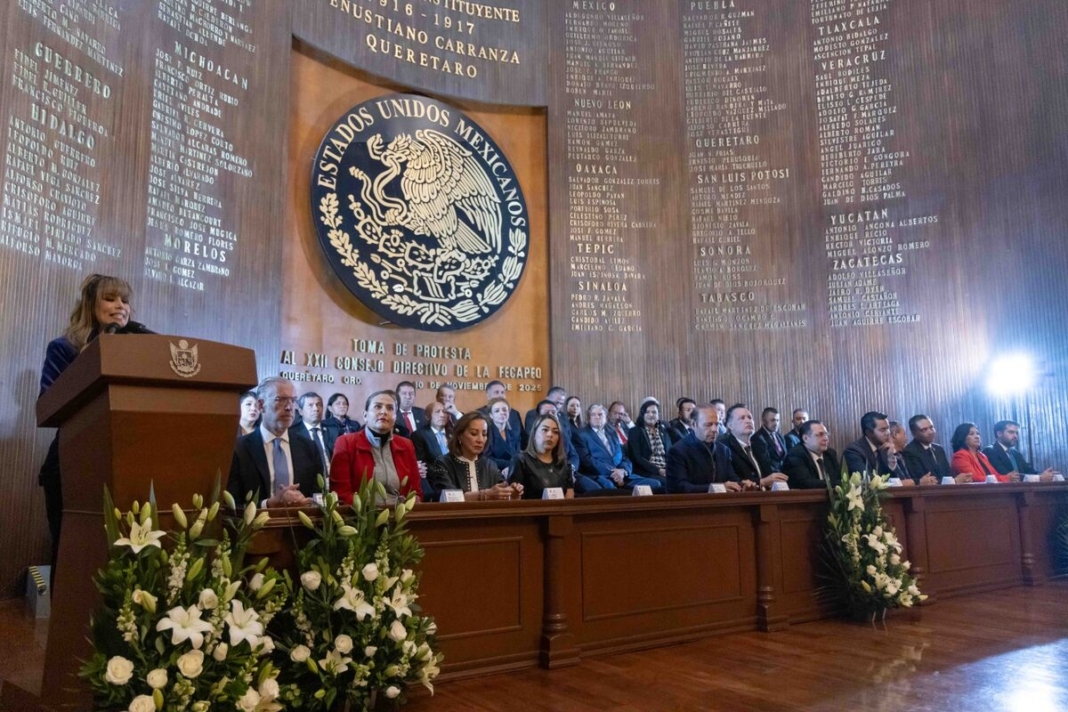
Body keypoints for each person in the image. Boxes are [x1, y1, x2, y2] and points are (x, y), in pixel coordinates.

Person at [39, 274, 134, 573]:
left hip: (120, 460)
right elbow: (48, 404)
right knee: (70, 550)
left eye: (125, 300)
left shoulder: (135, 351)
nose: (120, 305)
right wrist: (94, 352)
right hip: (71, 463)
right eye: (111, 298)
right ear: (90, 305)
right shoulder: (63, 348)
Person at [228, 377, 319, 508]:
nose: (289, 407)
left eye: (293, 400)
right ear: (260, 405)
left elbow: (318, 495)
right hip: (258, 526)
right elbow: (231, 504)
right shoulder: (238, 449)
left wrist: (307, 503)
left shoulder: (308, 447)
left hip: (300, 525)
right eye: (280, 400)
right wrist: (268, 504)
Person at [331, 390, 423, 505]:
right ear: (365, 415)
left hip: (400, 517)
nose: (384, 412)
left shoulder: (406, 445)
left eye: (390, 408)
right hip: (361, 517)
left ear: (395, 417)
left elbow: (415, 492)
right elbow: (341, 494)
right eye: (377, 407)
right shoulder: (346, 443)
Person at [428, 412, 522, 501]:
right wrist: (486, 494)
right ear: (460, 436)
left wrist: (511, 493)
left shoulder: (490, 465)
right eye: (474, 433)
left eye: (484, 434)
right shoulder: (443, 463)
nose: (480, 440)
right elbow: (449, 498)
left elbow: (500, 492)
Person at [574, 404, 664, 493]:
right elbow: (587, 460)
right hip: (601, 475)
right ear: (589, 418)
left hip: (622, 474)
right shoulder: (581, 435)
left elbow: (624, 457)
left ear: (606, 417)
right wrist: (613, 473)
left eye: (600, 414)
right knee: (610, 488)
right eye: (593, 415)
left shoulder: (612, 433)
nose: (597, 417)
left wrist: (623, 471)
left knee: (654, 484)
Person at [665, 406, 739, 493]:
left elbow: (732, 479)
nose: (714, 429)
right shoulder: (678, 451)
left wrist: (742, 485)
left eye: (717, 424)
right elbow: (680, 487)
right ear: (693, 425)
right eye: (708, 425)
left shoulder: (724, 450)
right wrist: (716, 488)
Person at [720, 404, 788, 490]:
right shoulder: (724, 447)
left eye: (750, 417)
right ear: (730, 425)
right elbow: (732, 480)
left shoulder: (758, 444)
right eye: (742, 418)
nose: (748, 421)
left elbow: (768, 472)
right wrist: (762, 482)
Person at [509, 414, 575, 499]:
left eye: (555, 432)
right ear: (534, 434)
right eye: (545, 430)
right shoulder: (521, 460)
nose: (550, 435)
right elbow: (514, 498)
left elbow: (569, 499)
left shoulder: (563, 463)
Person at [984, 420, 1059, 480]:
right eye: (1011, 432)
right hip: (1003, 494)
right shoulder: (990, 451)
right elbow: (1005, 474)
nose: (1015, 436)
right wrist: (1039, 478)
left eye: (1017, 433)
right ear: (999, 433)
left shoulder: (1015, 453)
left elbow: (1028, 471)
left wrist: (1044, 475)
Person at [782, 420, 842, 490]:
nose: (826, 438)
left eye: (826, 434)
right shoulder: (795, 455)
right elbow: (806, 484)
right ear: (805, 438)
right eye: (820, 435)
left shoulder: (830, 454)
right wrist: (836, 483)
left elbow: (839, 478)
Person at [627, 400, 673, 488]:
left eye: (654, 412)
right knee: (668, 483)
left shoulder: (663, 431)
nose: (651, 415)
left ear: (658, 415)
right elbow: (637, 457)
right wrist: (659, 470)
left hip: (666, 469)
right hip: (646, 471)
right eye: (647, 412)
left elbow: (670, 453)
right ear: (642, 414)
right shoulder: (635, 431)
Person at [409, 401, 450, 501]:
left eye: (444, 412)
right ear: (427, 417)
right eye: (437, 412)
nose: (442, 415)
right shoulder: (419, 435)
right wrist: (444, 473)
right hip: (434, 482)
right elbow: (422, 463)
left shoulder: (453, 434)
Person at [290, 392, 336, 479]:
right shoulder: (293, 433)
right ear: (300, 411)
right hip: (307, 482)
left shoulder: (333, 431)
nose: (316, 409)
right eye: (310, 405)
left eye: (319, 405)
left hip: (333, 480)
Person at [843, 411, 900, 477]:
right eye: (883, 430)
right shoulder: (853, 452)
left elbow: (901, 480)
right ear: (868, 432)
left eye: (888, 428)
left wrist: (891, 457)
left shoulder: (885, 449)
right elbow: (867, 481)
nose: (888, 433)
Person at [902, 415, 951, 485]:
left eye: (931, 427)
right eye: (924, 430)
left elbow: (948, 474)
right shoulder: (910, 451)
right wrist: (953, 481)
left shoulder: (939, 449)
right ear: (914, 434)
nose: (930, 432)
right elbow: (923, 479)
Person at [479, 380, 525, 446]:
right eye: (496, 392)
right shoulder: (479, 414)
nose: (500, 395)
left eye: (502, 392)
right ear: (488, 395)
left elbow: (523, 437)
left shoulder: (514, 413)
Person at [484, 397, 521, 476]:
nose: (502, 413)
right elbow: (486, 458)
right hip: (492, 473)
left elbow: (518, 456)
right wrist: (509, 465)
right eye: (497, 411)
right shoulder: (487, 433)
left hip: (512, 472)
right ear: (491, 415)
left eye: (504, 410)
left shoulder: (513, 433)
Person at [751, 407, 788, 474]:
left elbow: (784, 458)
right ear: (763, 421)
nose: (776, 423)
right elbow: (765, 463)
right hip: (770, 477)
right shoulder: (757, 438)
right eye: (772, 420)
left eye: (777, 420)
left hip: (784, 474)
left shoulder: (780, 436)